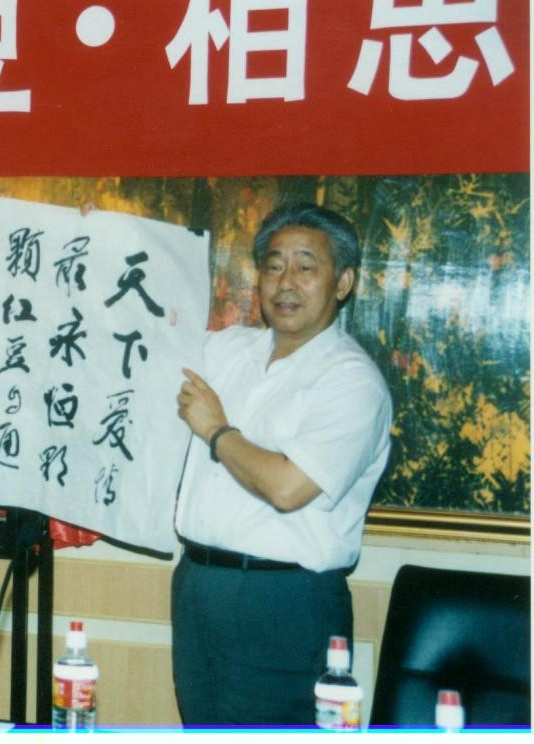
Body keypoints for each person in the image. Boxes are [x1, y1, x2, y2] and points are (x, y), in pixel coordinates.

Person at [171, 202, 392, 725]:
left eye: (305, 266)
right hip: (199, 585)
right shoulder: (227, 350)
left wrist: (217, 431)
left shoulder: (352, 381)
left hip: (283, 602)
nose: (285, 282)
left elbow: (288, 488)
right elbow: (146, 331)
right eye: (273, 266)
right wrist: (106, 240)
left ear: (343, 282)